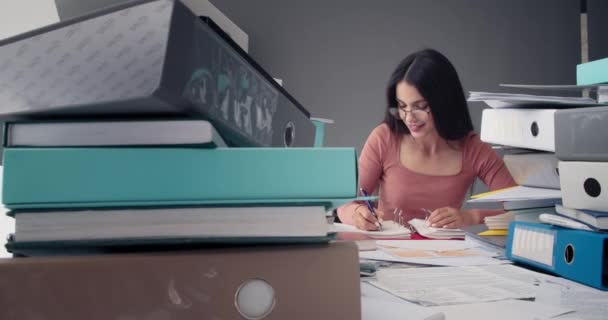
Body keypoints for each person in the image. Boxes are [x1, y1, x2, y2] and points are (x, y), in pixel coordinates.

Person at [338, 48, 516, 231]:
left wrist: (471, 216)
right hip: (386, 253)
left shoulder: (474, 149)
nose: (409, 117)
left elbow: (523, 213)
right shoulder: (384, 138)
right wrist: (357, 213)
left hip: (444, 255)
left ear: (444, 102)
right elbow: (345, 206)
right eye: (402, 106)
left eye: (420, 106)